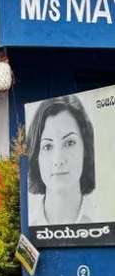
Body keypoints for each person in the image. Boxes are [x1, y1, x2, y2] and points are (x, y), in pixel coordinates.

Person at [26, 94, 95, 226]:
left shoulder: (101, 218)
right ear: (36, 157)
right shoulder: (29, 227)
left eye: (69, 143)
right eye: (47, 146)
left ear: (85, 149)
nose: (58, 160)